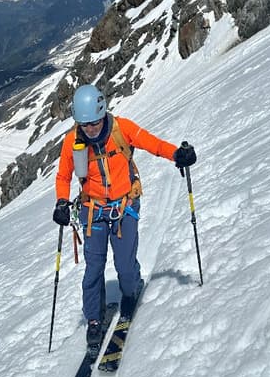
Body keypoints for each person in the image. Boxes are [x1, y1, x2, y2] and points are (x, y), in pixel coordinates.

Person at [53, 83, 196, 354]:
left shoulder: (122, 129)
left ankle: (131, 289)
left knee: (125, 265)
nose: (91, 129)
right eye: (84, 124)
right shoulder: (72, 142)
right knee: (93, 268)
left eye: (94, 123)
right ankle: (93, 319)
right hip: (92, 210)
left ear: (103, 112)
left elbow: (151, 143)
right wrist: (62, 201)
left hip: (124, 206)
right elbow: (63, 176)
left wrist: (177, 154)